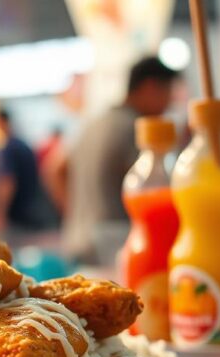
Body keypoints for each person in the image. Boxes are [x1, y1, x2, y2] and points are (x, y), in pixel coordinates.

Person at [64, 56, 180, 262]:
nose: (168, 105)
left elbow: (54, 169)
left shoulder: (94, 123)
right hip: (113, 248)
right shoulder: (133, 128)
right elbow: (156, 187)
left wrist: (74, 212)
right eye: (167, 93)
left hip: (76, 241)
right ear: (150, 87)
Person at [0, 109, 56, 234]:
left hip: (17, 215)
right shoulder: (23, 145)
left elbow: (7, 182)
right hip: (31, 209)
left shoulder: (9, 148)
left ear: (1, 122)